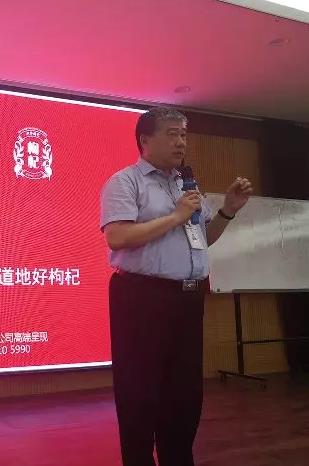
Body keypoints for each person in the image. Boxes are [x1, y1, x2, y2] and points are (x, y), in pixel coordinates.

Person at [100, 107, 253, 466]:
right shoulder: (125, 182)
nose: (181, 142)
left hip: (187, 300)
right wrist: (175, 216)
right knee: (139, 393)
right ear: (145, 140)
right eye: (171, 134)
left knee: (184, 395)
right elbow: (117, 237)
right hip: (141, 298)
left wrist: (228, 211)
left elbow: (203, 239)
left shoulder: (186, 186)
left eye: (183, 134)